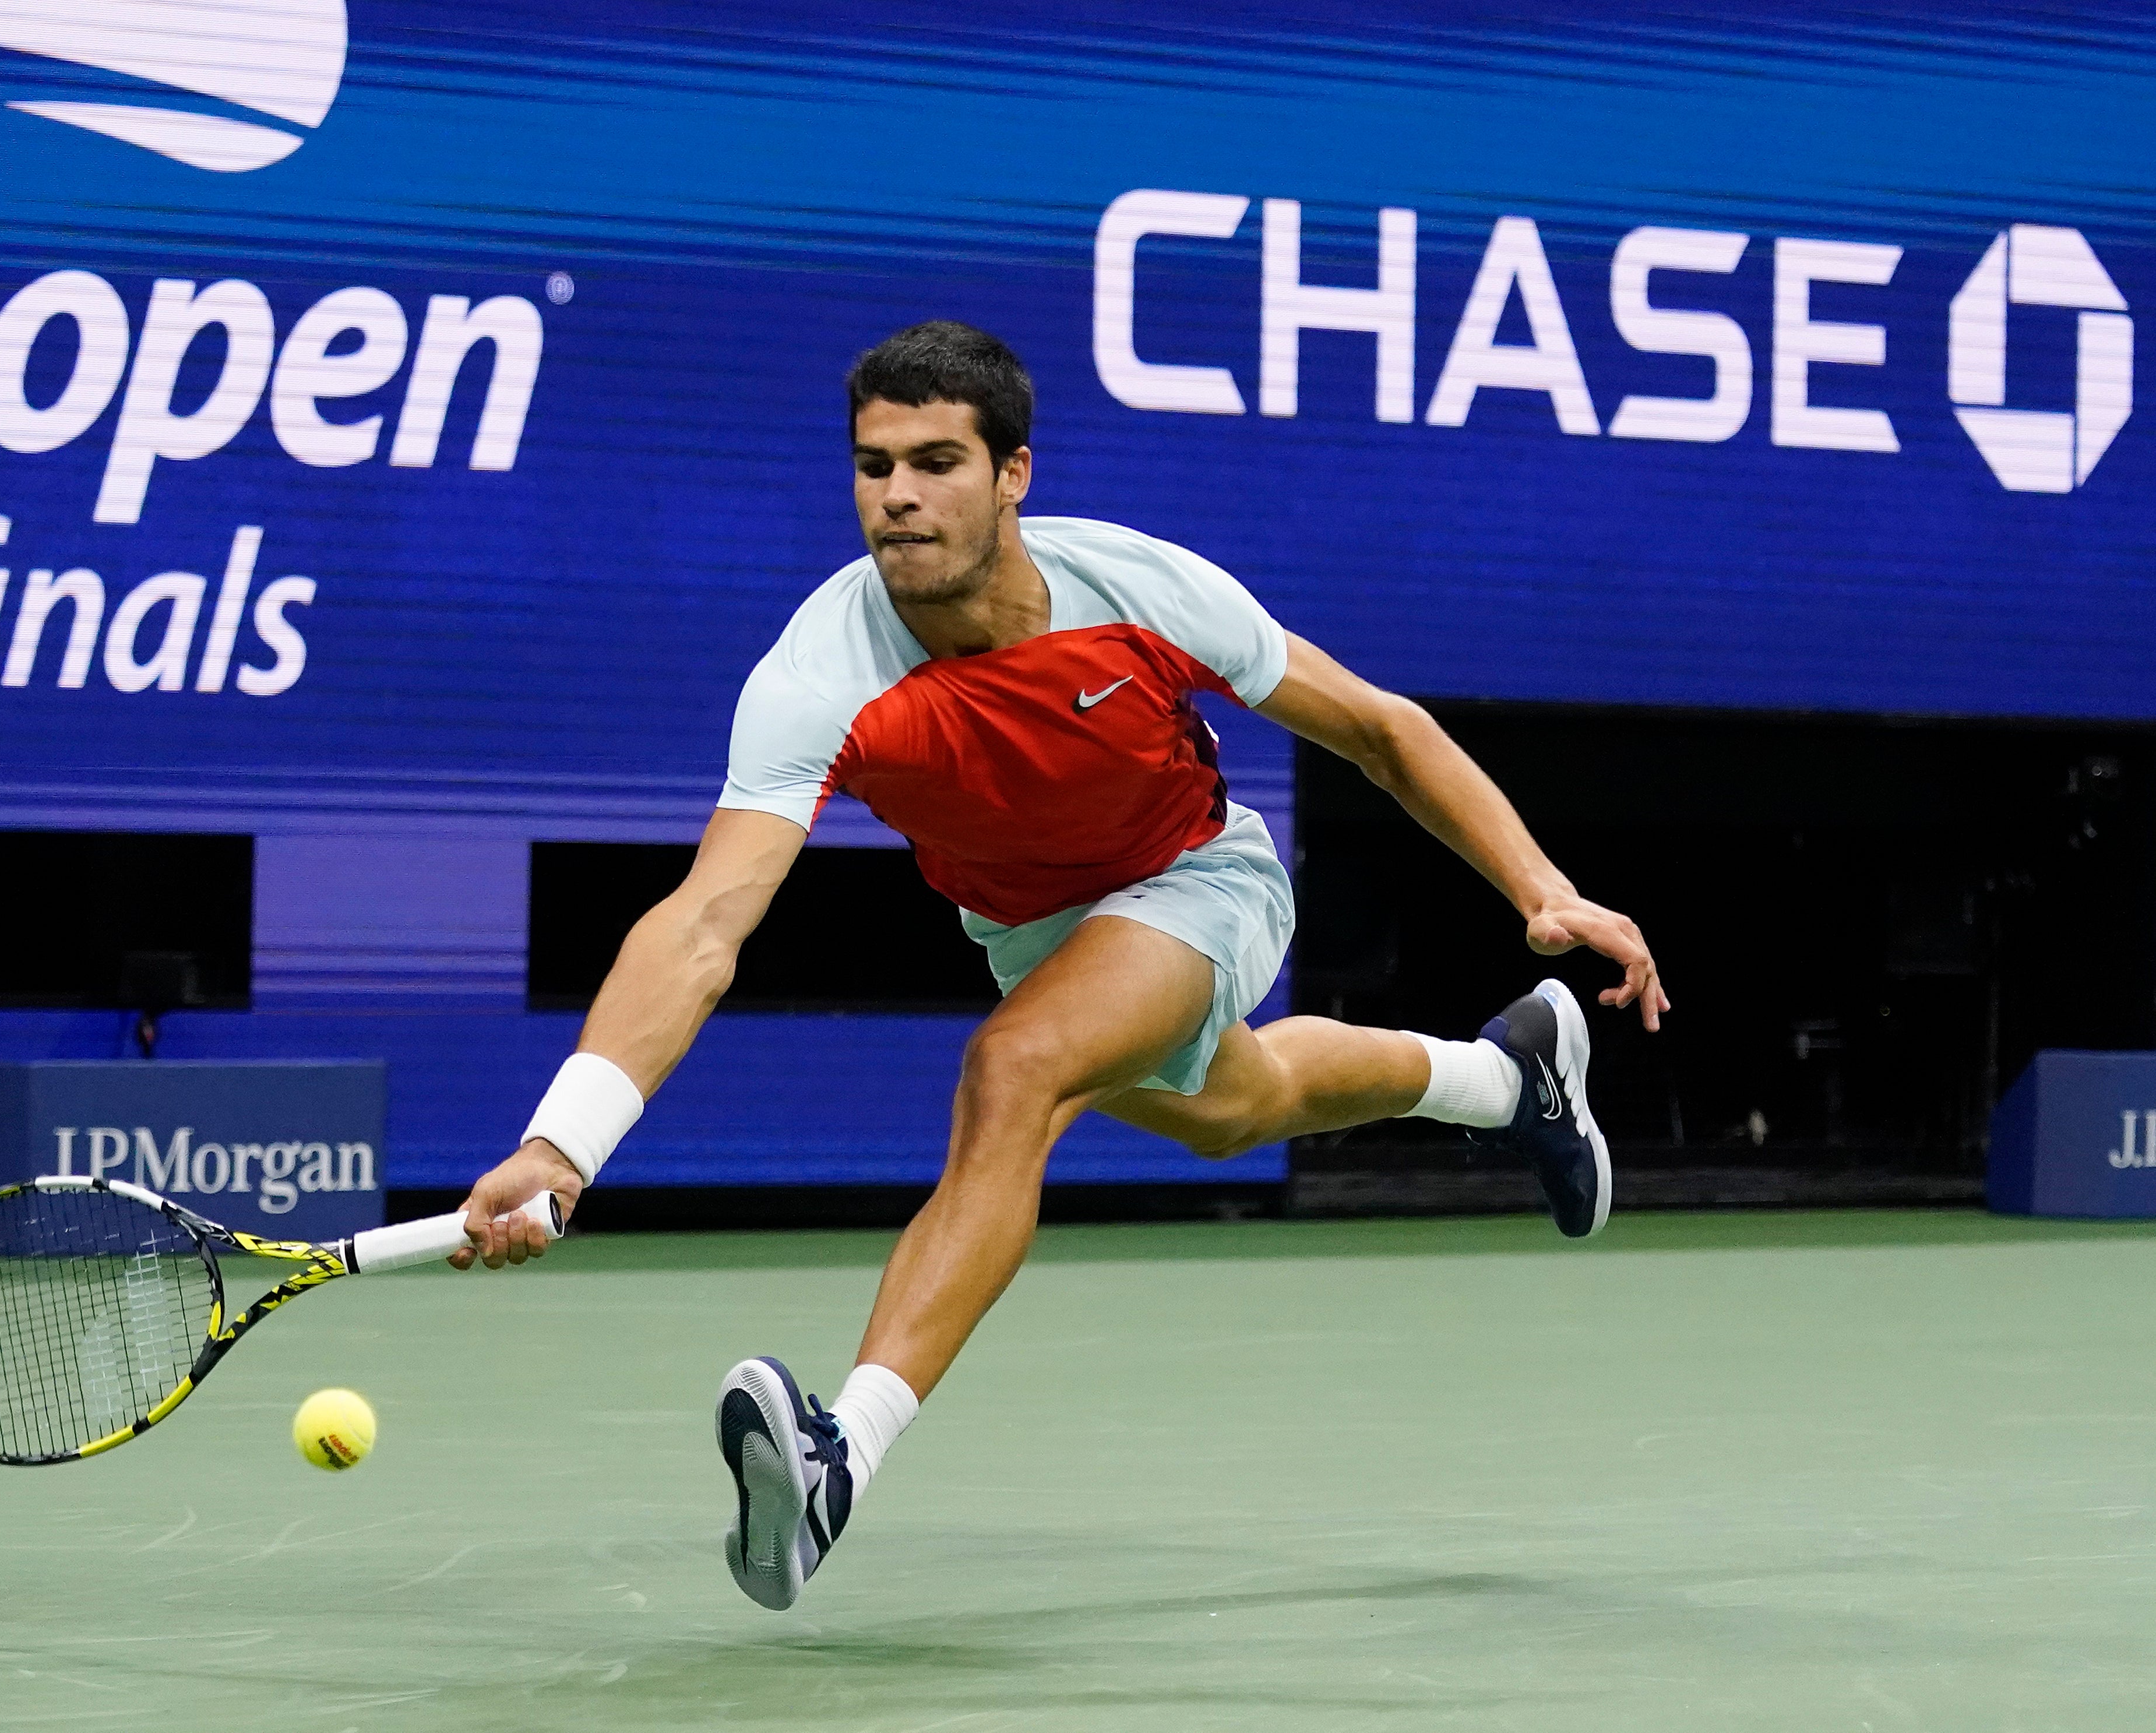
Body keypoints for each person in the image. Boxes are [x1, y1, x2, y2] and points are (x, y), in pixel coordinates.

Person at [446, 320, 1668, 1610]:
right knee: (1239, 1105)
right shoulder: (822, 672)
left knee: (1015, 1071)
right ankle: (1509, 1075)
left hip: (1201, 881)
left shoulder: (1139, 590)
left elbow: (1381, 729)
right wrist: (562, 1144)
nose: (899, 497)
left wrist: (1542, 886)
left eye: (935, 462)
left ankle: (836, 1456)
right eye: (873, 466)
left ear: (1013, 473)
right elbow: (704, 923)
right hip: (1033, 932)